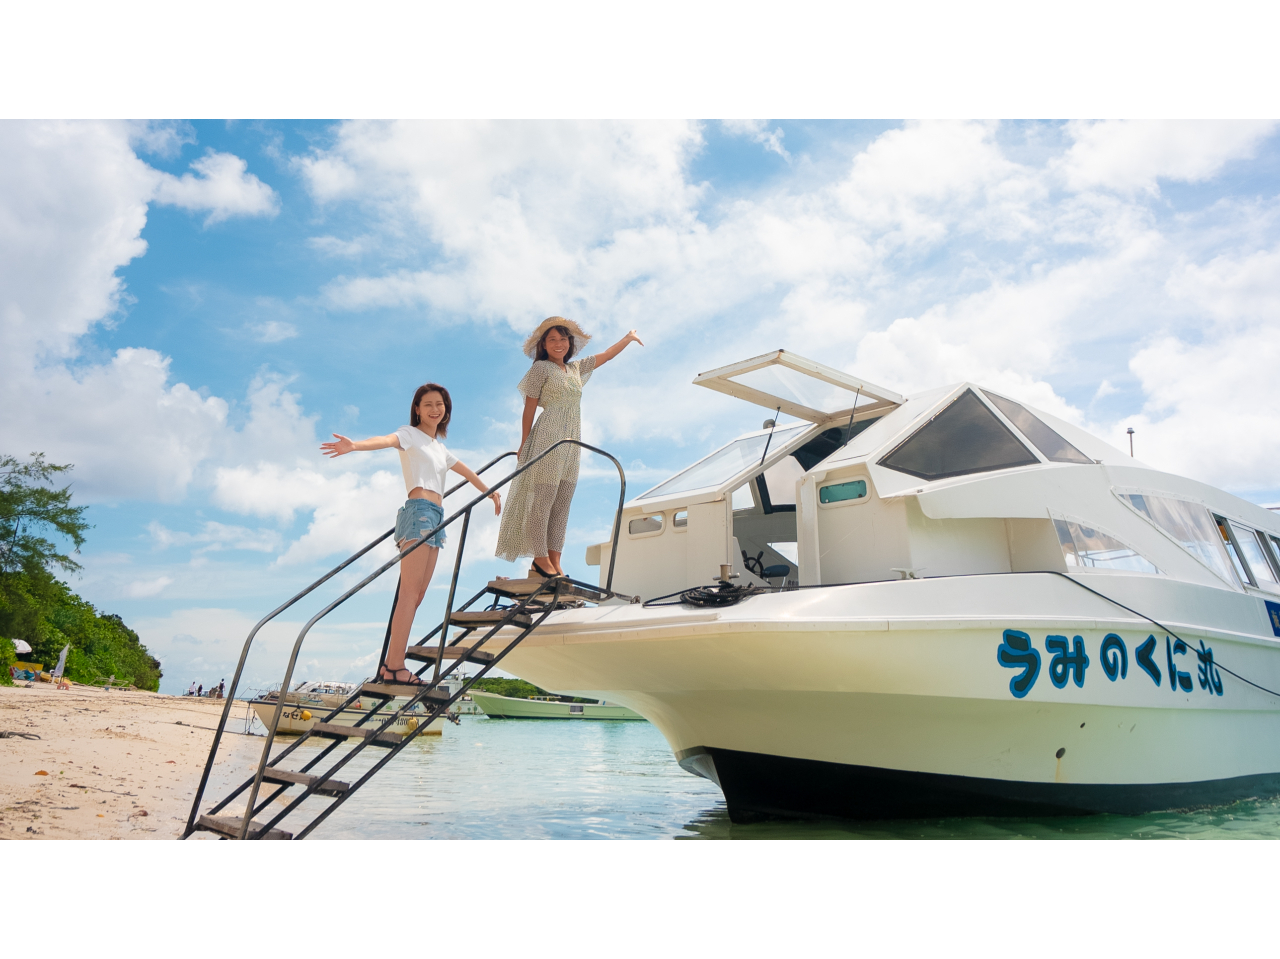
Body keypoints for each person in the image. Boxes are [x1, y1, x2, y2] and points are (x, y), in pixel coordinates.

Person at [322, 383, 501, 684]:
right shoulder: (409, 434)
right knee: (408, 593)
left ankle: (392, 664)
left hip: (436, 517)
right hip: (419, 511)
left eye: (440, 404)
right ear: (417, 409)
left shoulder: (439, 448)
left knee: (417, 595)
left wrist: (490, 492)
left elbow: (467, 472)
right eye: (428, 404)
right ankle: (395, 666)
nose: (434, 409)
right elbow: (386, 440)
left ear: (446, 410)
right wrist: (355, 446)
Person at [495, 317, 643, 577]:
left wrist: (628, 338)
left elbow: (607, 355)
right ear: (544, 345)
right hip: (548, 438)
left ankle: (555, 560)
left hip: (572, 441)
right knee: (542, 501)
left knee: (562, 504)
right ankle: (540, 559)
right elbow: (529, 409)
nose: (558, 344)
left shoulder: (576, 369)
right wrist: (524, 443)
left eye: (563, 339)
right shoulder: (540, 369)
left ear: (569, 342)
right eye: (552, 339)